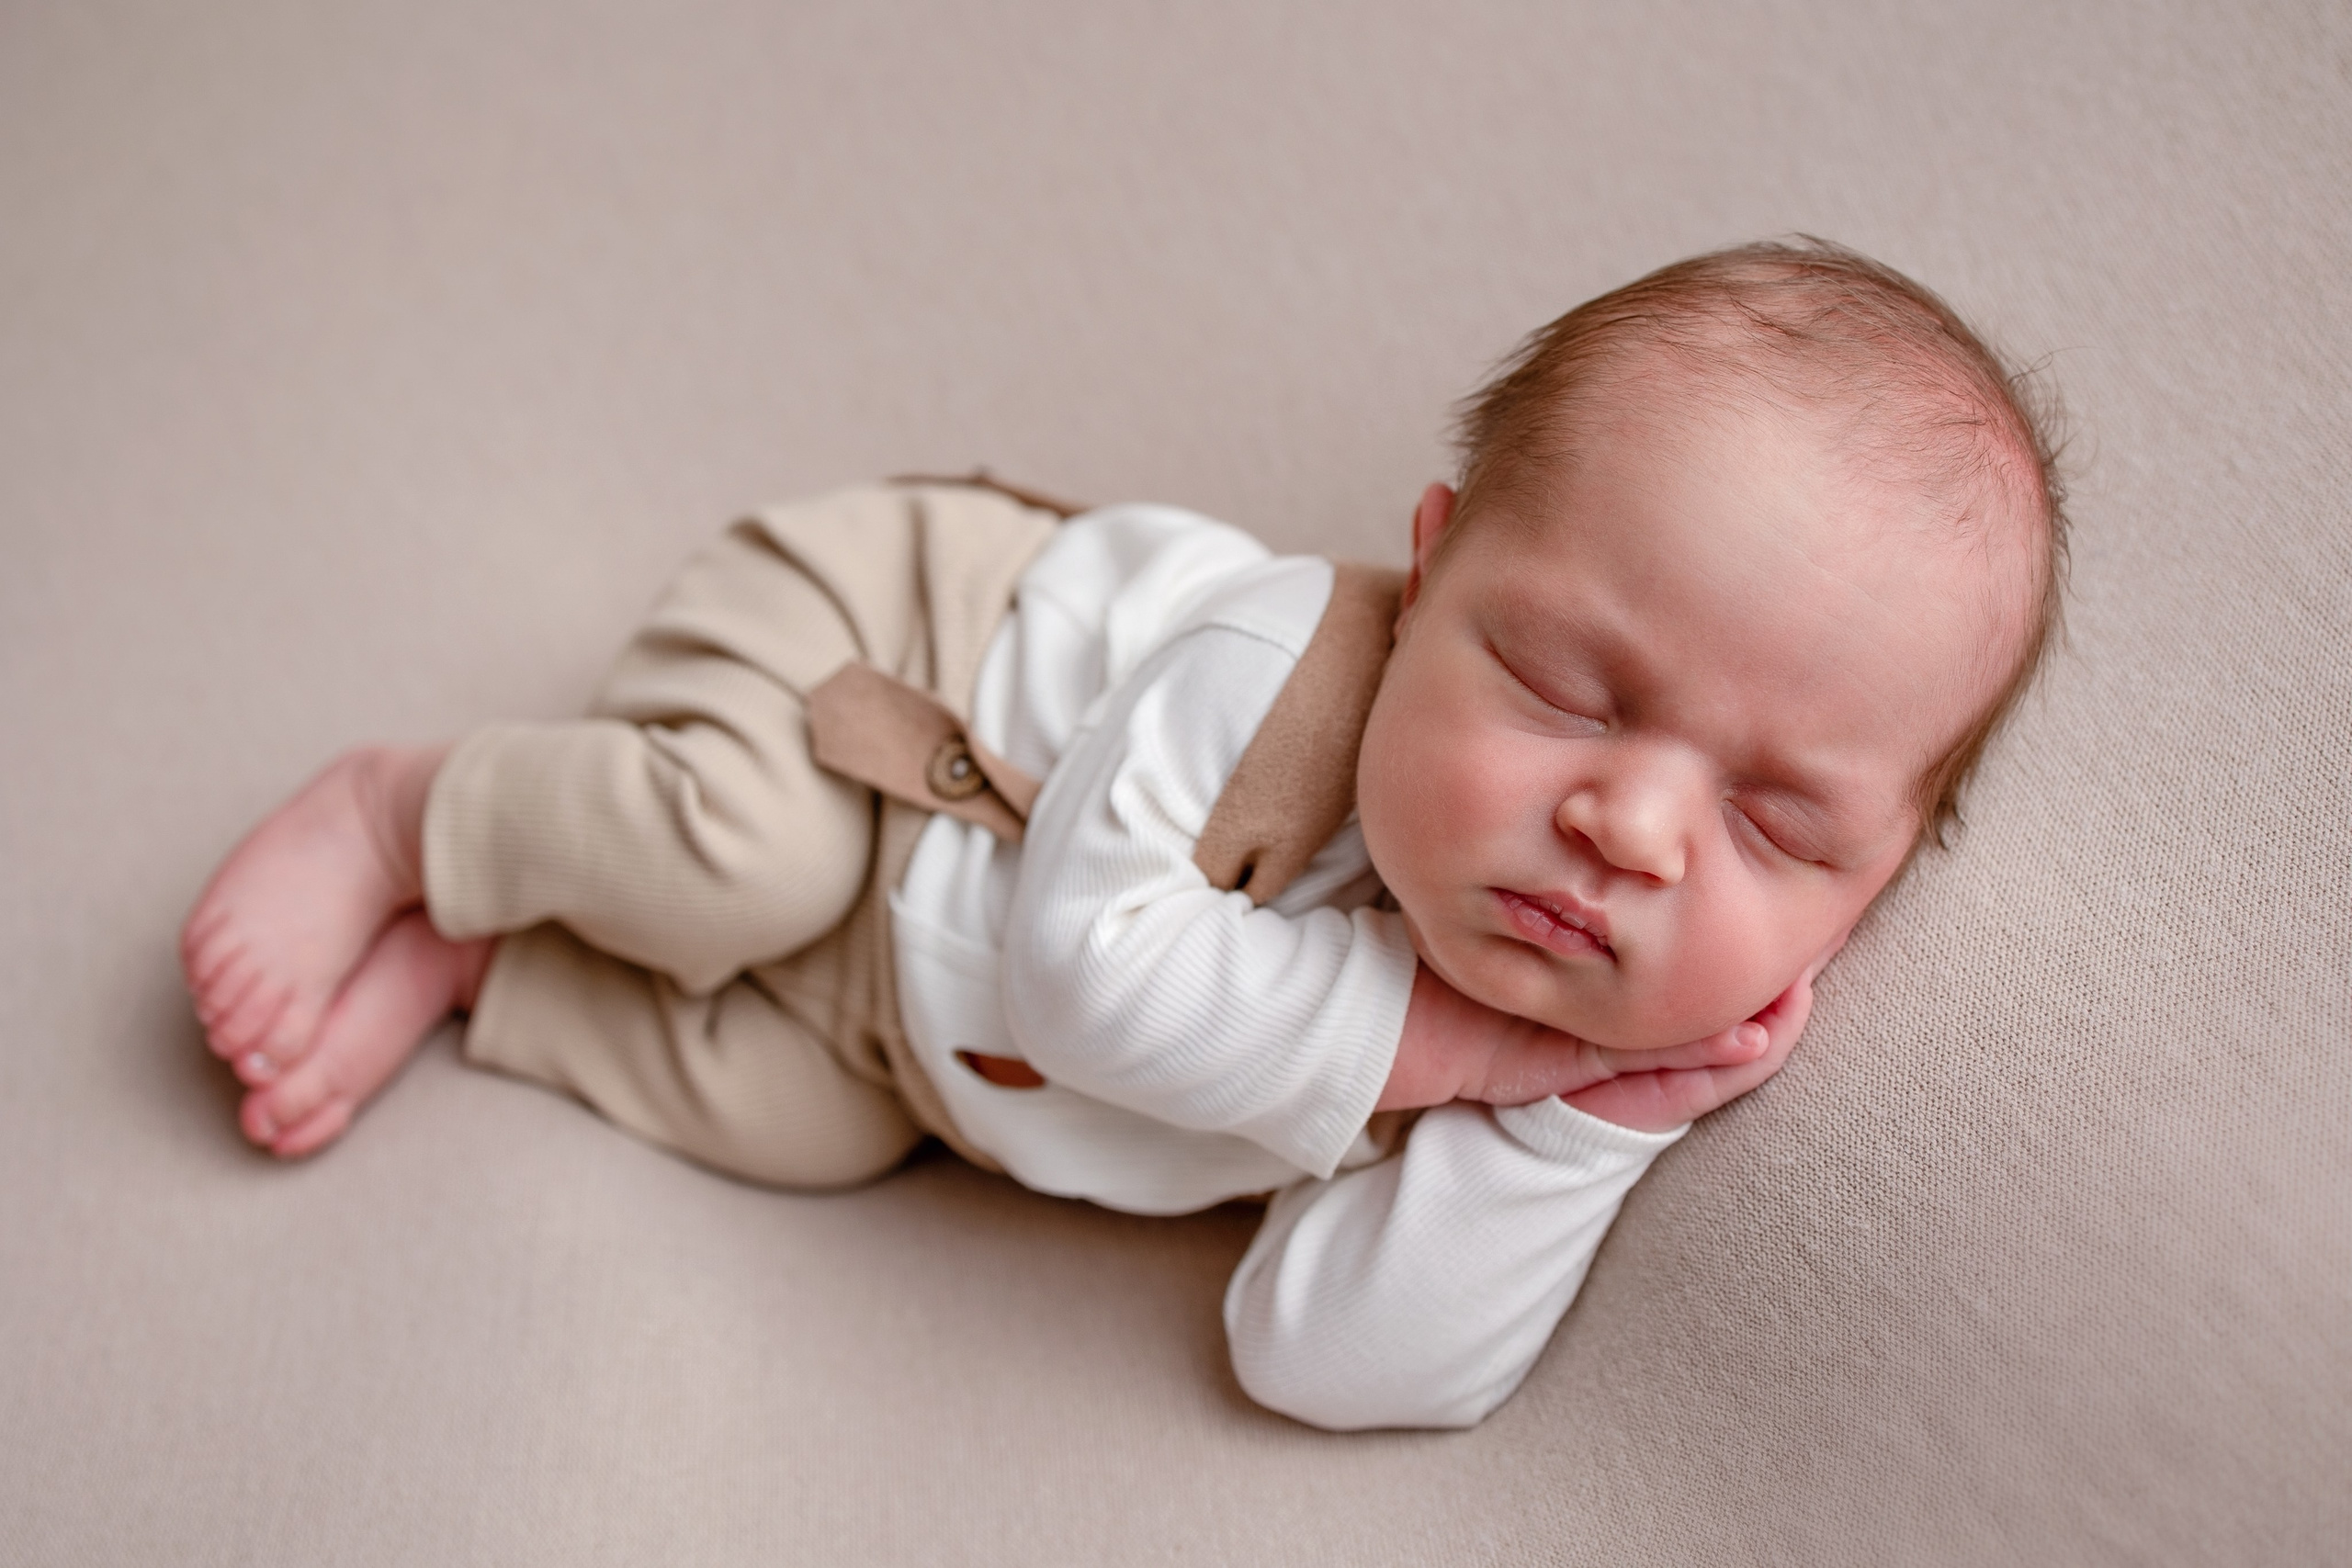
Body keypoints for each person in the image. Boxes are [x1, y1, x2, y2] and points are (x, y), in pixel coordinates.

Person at [177, 239, 2065, 1429]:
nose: (1625, 821)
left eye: (1768, 817)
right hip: (862, 679)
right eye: (1568, 686)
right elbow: (1086, 982)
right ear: (1428, 572)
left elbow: (1319, 1357)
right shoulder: (1269, 660)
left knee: (805, 1128)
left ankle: (484, 956)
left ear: (1871, 880)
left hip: (908, 1041)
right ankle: (409, 810)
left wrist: (1576, 1123)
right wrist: (1471, 1054)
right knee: (733, 852)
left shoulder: (1543, 1035)